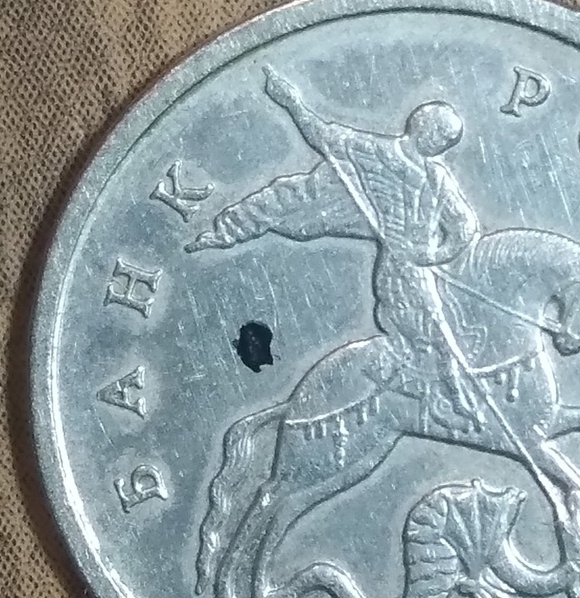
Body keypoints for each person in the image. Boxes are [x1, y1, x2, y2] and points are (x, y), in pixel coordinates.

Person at [187, 67, 483, 429]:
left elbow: (464, 225)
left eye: (449, 140)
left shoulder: (437, 177)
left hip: (426, 267)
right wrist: (291, 102)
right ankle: (448, 399)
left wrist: (435, 255)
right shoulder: (372, 152)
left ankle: (437, 389)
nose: (444, 144)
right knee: (435, 329)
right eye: (443, 134)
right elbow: (320, 134)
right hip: (400, 271)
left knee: (458, 324)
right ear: (422, 126)